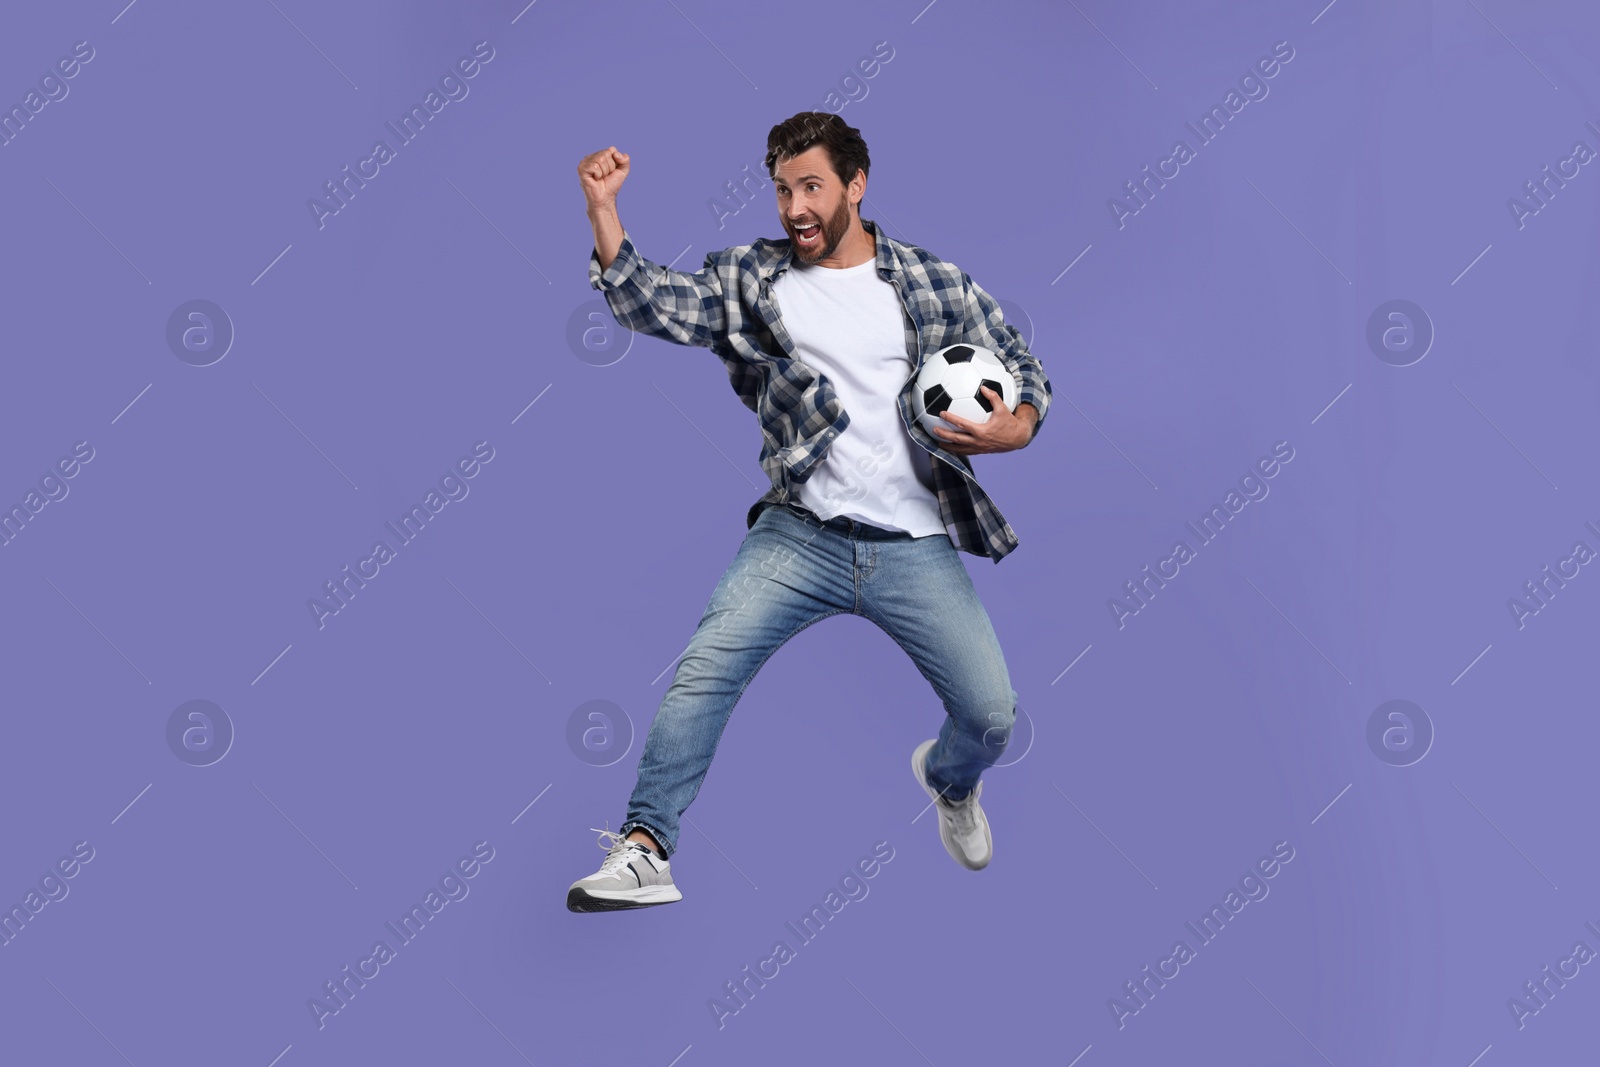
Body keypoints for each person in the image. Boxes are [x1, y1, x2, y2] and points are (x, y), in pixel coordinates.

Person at [566, 112, 1051, 912]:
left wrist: (1015, 424)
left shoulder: (933, 282)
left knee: (991, 717)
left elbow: (1023, 365)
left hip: (914, 544)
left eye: (812, 186)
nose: (794, 206)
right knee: (704, 670)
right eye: (783, 188)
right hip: (800, 533)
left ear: (856, 186)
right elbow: (650, 301)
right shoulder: (751, 281)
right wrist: (603, 210)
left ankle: (947, 779)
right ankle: (646, 846)